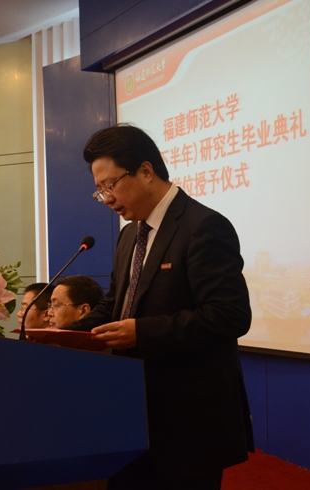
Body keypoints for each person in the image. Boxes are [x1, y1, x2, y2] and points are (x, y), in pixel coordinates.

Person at [68, 124, 253, 489]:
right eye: (100, 190)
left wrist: (142, 332)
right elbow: (115, 306)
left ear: (146, 171)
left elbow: (230, 314)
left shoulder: (203, 227)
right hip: (130, 415)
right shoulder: (129, 235)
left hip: (188, 423)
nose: (106, 199)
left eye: (110, 185)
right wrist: (59, 335)